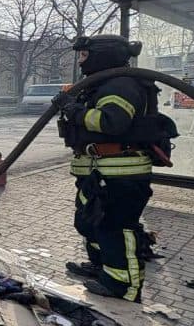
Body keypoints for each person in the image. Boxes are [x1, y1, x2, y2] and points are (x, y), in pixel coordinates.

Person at [52, 34, 175, 302]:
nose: (81, 61)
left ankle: (123, 285)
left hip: (120, 173)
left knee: (115, 227)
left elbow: (112, 123)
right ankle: (102, 267)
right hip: (99, 171)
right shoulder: (103, 84)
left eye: (84, 55)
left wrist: (74, 111)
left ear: (103, 55)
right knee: (90, 222)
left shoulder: (121, 85)